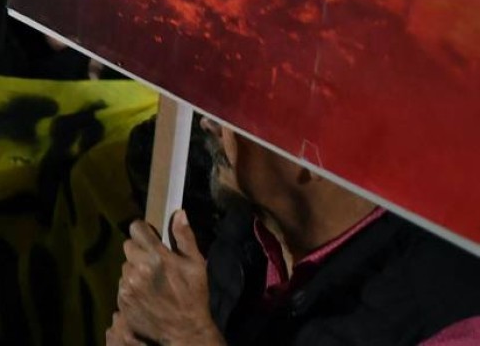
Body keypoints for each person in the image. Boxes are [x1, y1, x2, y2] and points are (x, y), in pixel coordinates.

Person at [107, 118, 480, 346]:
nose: (209, 124)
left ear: (316, 153)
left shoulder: (449, 317)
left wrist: (188, 337)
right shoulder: (241, 240)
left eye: (235, 111)